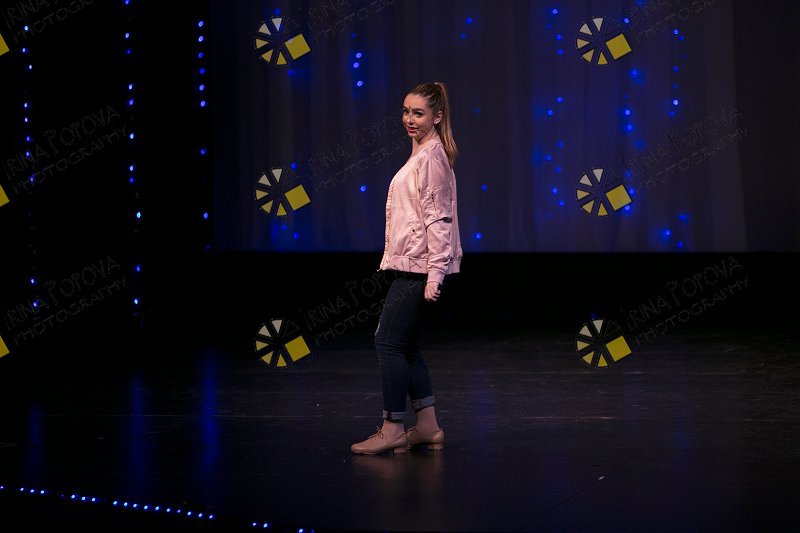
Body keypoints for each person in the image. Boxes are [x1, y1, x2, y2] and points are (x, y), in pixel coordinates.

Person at [351, 81, 463, 455]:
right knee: (406, 345)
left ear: (437, 116)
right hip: (414, 263)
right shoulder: (422, 154)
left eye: (418, 113)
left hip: (419, 268)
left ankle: (393, 428)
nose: (409, 119)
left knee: (387, 342)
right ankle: (428, 427)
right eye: (405, 112)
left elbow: (439, 219)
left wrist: (435, 274)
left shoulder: (431, 159)